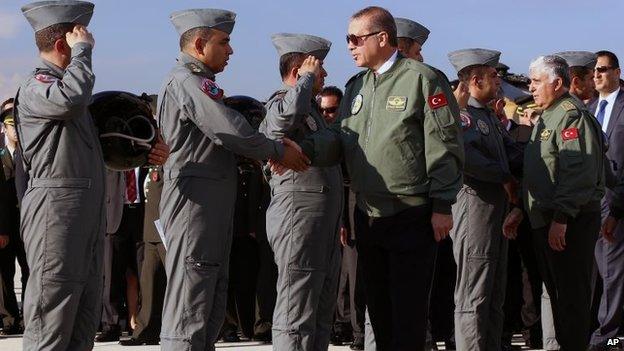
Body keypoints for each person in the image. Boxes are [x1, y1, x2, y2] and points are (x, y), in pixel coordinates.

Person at [290, 6, 464, 350]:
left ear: (382, 38)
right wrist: (300, 150)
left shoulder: (422, 79)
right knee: (379, 313)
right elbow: (338, 139)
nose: (350, 47)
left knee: (409, 315)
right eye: (348, 40)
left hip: (411, 214)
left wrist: (442, 204)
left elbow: (444, 145)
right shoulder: (357, 86)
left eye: (355, 39)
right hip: (368, 215)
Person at [16, 2, 169, 349]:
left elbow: (106, 146)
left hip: (84, 214)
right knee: (50, 320)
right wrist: (83, 53)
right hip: (56, 213)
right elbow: (69, 99)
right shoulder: (40, 86)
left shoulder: (76, 97)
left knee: (82, 321)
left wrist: (149, 150)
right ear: (62, 45)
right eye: (79, 40)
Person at [157, 9, 309, 351]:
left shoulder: (196, 82)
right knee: (190, 302)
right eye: (224, 42)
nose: (231, 50)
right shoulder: (188, 82)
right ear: (199, 44)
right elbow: (228, 129)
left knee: (208, 298)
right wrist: (275, 150)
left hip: (210, 198)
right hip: (196, 201)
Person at [504, 55, 605, 351]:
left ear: (557, 83)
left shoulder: (571, 115)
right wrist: (521, 209)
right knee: (559, 298)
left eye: (536, 82)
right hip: (546, 219)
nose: (531, 88)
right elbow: (541, 171)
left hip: (569, 222)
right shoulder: (549, 114)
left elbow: (578, 173)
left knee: (571, 301)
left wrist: (561, 218)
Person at [260, 33, 343, 351]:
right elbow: (278, 126)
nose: (324, 75)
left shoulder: (313, 114)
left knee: (320, 313)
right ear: (299, 71)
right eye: (318, 68)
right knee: (296, 314)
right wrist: (305, 81)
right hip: (299, 222)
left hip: (321, 224)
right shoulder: (281, 104)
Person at [447, 48, 524, 351]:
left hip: (496, 211)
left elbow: (514, 153)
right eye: (494, 76)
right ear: (476, 80)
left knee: (494, 294)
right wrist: (505, 176)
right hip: (475, 210)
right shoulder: (464, 117)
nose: (499, 82)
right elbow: (468, 159)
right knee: (474, 294)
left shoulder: (488, 116)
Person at [588, 50, 624, 351]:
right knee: (598, 272)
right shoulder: (587, 109)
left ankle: (607, 336)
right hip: (588, 202)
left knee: (612, 272)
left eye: (602, 69)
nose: (596, 75)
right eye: (594, 71)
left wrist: (616, 206)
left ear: (617, 72)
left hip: (617, 203)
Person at [0, 99, 28, 336]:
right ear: (4, 128)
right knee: (5, 274)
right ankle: (10, 318)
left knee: (30, 270)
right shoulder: (0, 155)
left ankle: (29, 317)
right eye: (11, 125)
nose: (15, 130)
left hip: (29, 223)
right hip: (6, 225)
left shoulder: (30, 153)